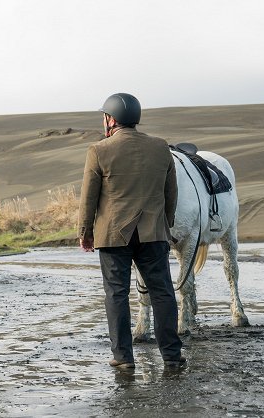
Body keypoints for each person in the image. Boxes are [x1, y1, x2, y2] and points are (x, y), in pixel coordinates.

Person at [78, 93, 185, 370]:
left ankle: (124, 358)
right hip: (154, 233)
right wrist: (166, 224)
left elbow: (89, 197)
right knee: (162, 293)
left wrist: (85, 231)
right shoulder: (161, 147)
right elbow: (170, 193)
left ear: (111, 119)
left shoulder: (99, 150)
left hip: (113, 235)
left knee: (116, 294)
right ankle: (172, 355)